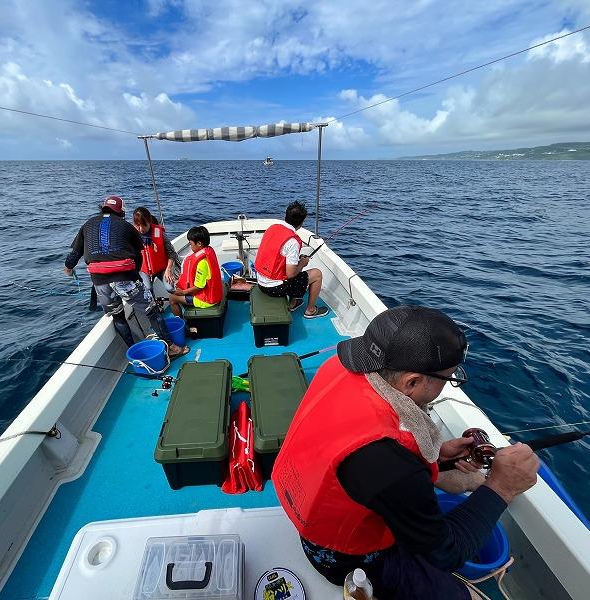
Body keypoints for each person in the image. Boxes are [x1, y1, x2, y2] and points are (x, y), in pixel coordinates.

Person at [272, 306, 539, 600]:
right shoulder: (389, 466)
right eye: (448, 378)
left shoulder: (339, 368)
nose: (448, 384)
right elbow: (446, 553)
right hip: (343, 559)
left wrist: (437, 456)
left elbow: (361, 451)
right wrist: (502, 486)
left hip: (313, 518)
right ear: (411, 382)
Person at [64, 195, 189, 359]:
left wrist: (68, 268)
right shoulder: (126, 227)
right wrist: (134, 276)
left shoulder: (87, 225)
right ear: (122, 211)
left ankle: (135, 352)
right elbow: (138, 257)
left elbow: (74, 255)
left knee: (118, 316)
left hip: (99, 282)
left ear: (102, 208)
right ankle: (172, 348)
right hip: (124, 278)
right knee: (151, 309)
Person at [253, 201, 328, 318]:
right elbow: (291, 274)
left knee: (296, 269)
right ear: (301, 223)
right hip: (274, 288)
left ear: (285, 216)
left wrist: (298, 262)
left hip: (260, 281)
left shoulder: (272, 228)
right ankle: (311, 310)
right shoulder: (293, 241)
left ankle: (293, 302)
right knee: (316, 274)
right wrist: (303, 263)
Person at [169, 226, 223, 317]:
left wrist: (183, 292)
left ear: (199, 243)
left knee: (172, 298)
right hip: (214, 294)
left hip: (206, 300)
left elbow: (199, 286)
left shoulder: (202, 263)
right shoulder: (208, 252)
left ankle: (181, 322)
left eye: (191, 244)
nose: (190, 247)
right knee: (179, 291)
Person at [132, 206, 181, 294]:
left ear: (149, 222)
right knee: (148, 289)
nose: (141, 229)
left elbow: (172, 253)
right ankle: (154, 305)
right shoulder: (131, 234)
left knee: (170, 287)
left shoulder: (159, 233)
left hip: (162, 268)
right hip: (143, 270)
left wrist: (168, 269)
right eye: (138, 226)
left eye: (144, 225)